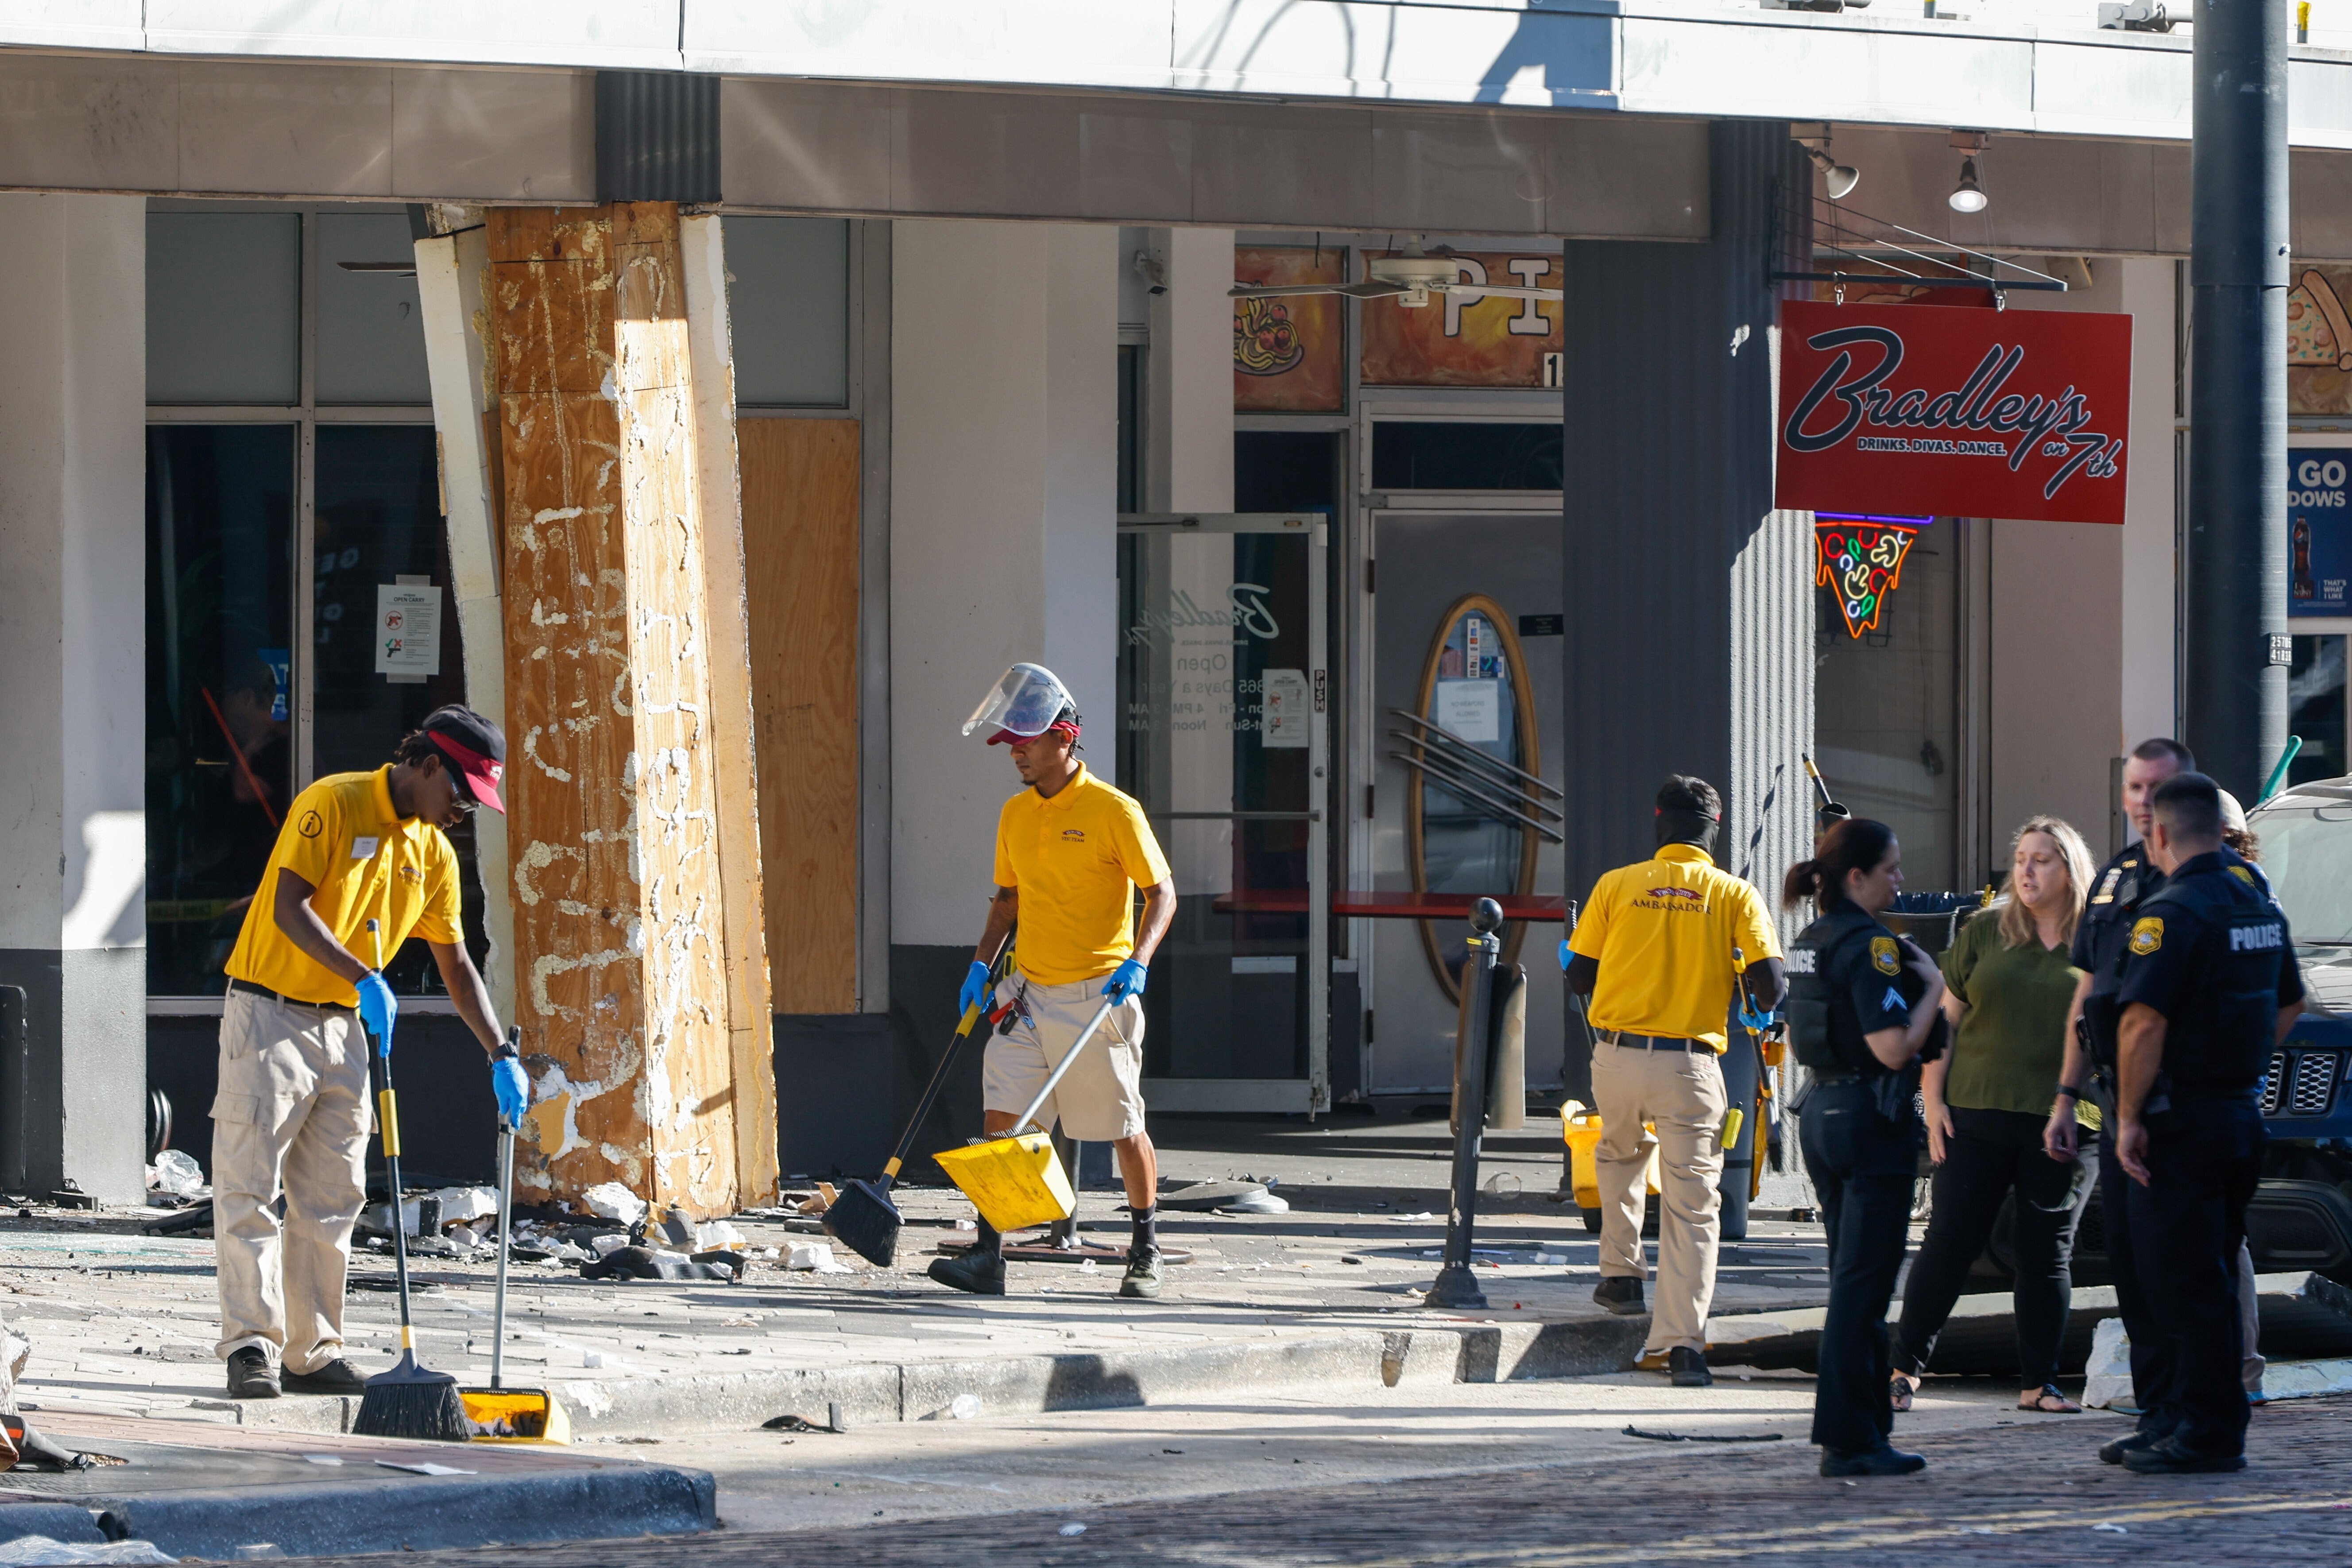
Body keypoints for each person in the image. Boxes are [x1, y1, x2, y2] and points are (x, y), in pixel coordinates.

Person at [213, 705, 526, 1400]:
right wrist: (363, 974)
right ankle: (251, 1348)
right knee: (249, 1188)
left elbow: (456, 966)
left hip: (348, 1032)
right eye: (461, 793)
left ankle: (314, 1351)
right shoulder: (333, 801)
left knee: (332, 1198)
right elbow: (288, 907)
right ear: (428, 764)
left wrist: (499, 1052)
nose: (463, 811)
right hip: (269, 1014)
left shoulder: (433, 854)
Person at [929, 664, 1178, 1301]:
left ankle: (1145, 1249)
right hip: (1030, 995)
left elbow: (1162, 893)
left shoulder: (1113, 810)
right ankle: (989, 1256)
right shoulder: (1015, 814)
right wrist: (982, 964)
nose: (1016, 750)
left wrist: (1140, 958)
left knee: (1123, 1125)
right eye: (1011, 740)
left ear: (1065, 738)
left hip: (1100, 995)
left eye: (1028, 740)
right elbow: (1008, 901)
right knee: (1000, 1124)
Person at [2090, 772, 2302, 1473]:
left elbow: (2144, 1023)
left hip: (2178, 1121)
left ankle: (2208, 1433)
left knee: (2184, 1284)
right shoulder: (2256, 902)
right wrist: (2236, 1060)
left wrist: (2127, 1118)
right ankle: (2186, 1421)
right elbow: (2288, 1005)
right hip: (2237, 1112)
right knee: (2204, 1272)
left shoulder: (2172, 912)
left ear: (2160, 832)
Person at [1562, 776, 1784, 1389]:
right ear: (1714, 828)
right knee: (1693, 1205)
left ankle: (1621, 1274)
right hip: (1691, 1066)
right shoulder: (1735, 893)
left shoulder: (1616, 884)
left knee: (1619, 1156)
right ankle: (1683, 1345)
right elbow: (1772, 986)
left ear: (1659, 824)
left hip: (1618, 1055)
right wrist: (1741, 982)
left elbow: (1579, 979)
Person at [1894, 816, 2099, 1417]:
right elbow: (1944, 1021)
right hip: (1976, 1112)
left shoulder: (2095, 935)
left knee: (2045, 1252)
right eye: (2022, 859)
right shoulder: (1986, 930)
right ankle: (1903, 1370)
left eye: (2043, 860)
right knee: (1950, 1242)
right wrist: (1932, 1104)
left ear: (2071, 869)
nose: (2028, 871)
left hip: (2065, 1119)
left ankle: (2040, 1383)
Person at [2043, 736, 2190, 1461]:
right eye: (2133, 787)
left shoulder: (2205, 879)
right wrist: (2066, 1095)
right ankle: (2160, 1412)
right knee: (2131, 1267)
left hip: (2181, 1104)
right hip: (2115, 1096)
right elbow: (2089, 993)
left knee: (2183, 1271)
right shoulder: (2113, 880)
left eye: (2155, 788)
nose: (2141, 801)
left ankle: (2197, 1416)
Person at [1784, 818, 1945, 1477]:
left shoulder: (1809, 938)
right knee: (1865, 1283)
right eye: (1892, 868)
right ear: (1857, 877)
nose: (1900, 879)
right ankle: (1851, 1437)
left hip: (1820, 1109)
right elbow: (1893, 1046)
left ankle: (1855, 1430)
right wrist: (1934, 986)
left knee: (1849, 1278)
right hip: (1866, 1118)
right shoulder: (1872, 946)